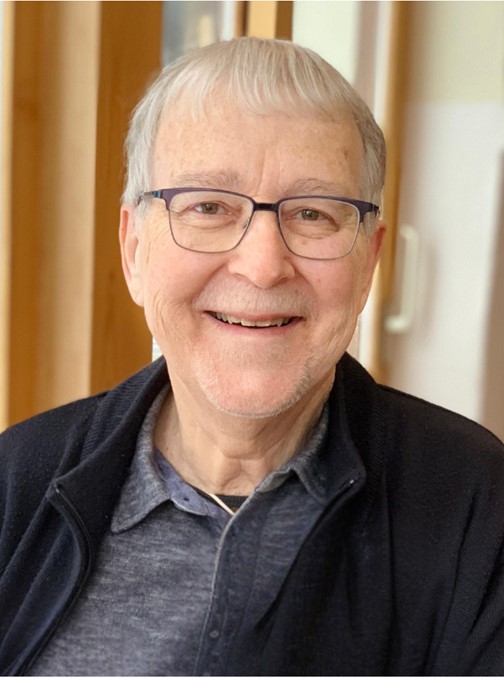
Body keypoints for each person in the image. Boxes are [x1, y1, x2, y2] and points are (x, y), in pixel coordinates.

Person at [1, 37, 504, 677]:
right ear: (134, 250)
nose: (263, 266)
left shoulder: (476, 506)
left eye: (313, 213)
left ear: (368, 262)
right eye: (209, 206)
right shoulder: (16, 481)